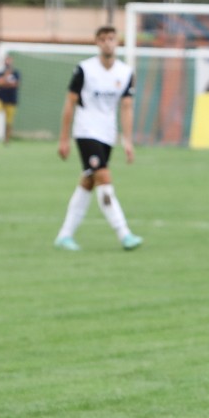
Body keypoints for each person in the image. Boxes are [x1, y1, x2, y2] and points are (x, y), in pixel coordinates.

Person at [54, 26, 143, 252]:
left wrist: (128, 141)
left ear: (118, 42)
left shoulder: (125, 72)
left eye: (111, 39)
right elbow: (69, 103)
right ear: (96, 43)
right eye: (102, 39)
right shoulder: (84, 69)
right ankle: (124, 233)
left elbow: (126, 107)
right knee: (103, 176)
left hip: (107, 134)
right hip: (85, 131)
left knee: (88, 181)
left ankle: (64, 235)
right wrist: (63, 139)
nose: (107, 43)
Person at [0, 54, 21, 143]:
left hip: (11, 100)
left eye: (9, 60)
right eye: (6, 60)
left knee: (9, 122)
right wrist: (6, 78)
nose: (8, 62)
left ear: (12, 61)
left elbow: (16, 84)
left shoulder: (16, 73)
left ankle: (7, 139)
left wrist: (4, 83)